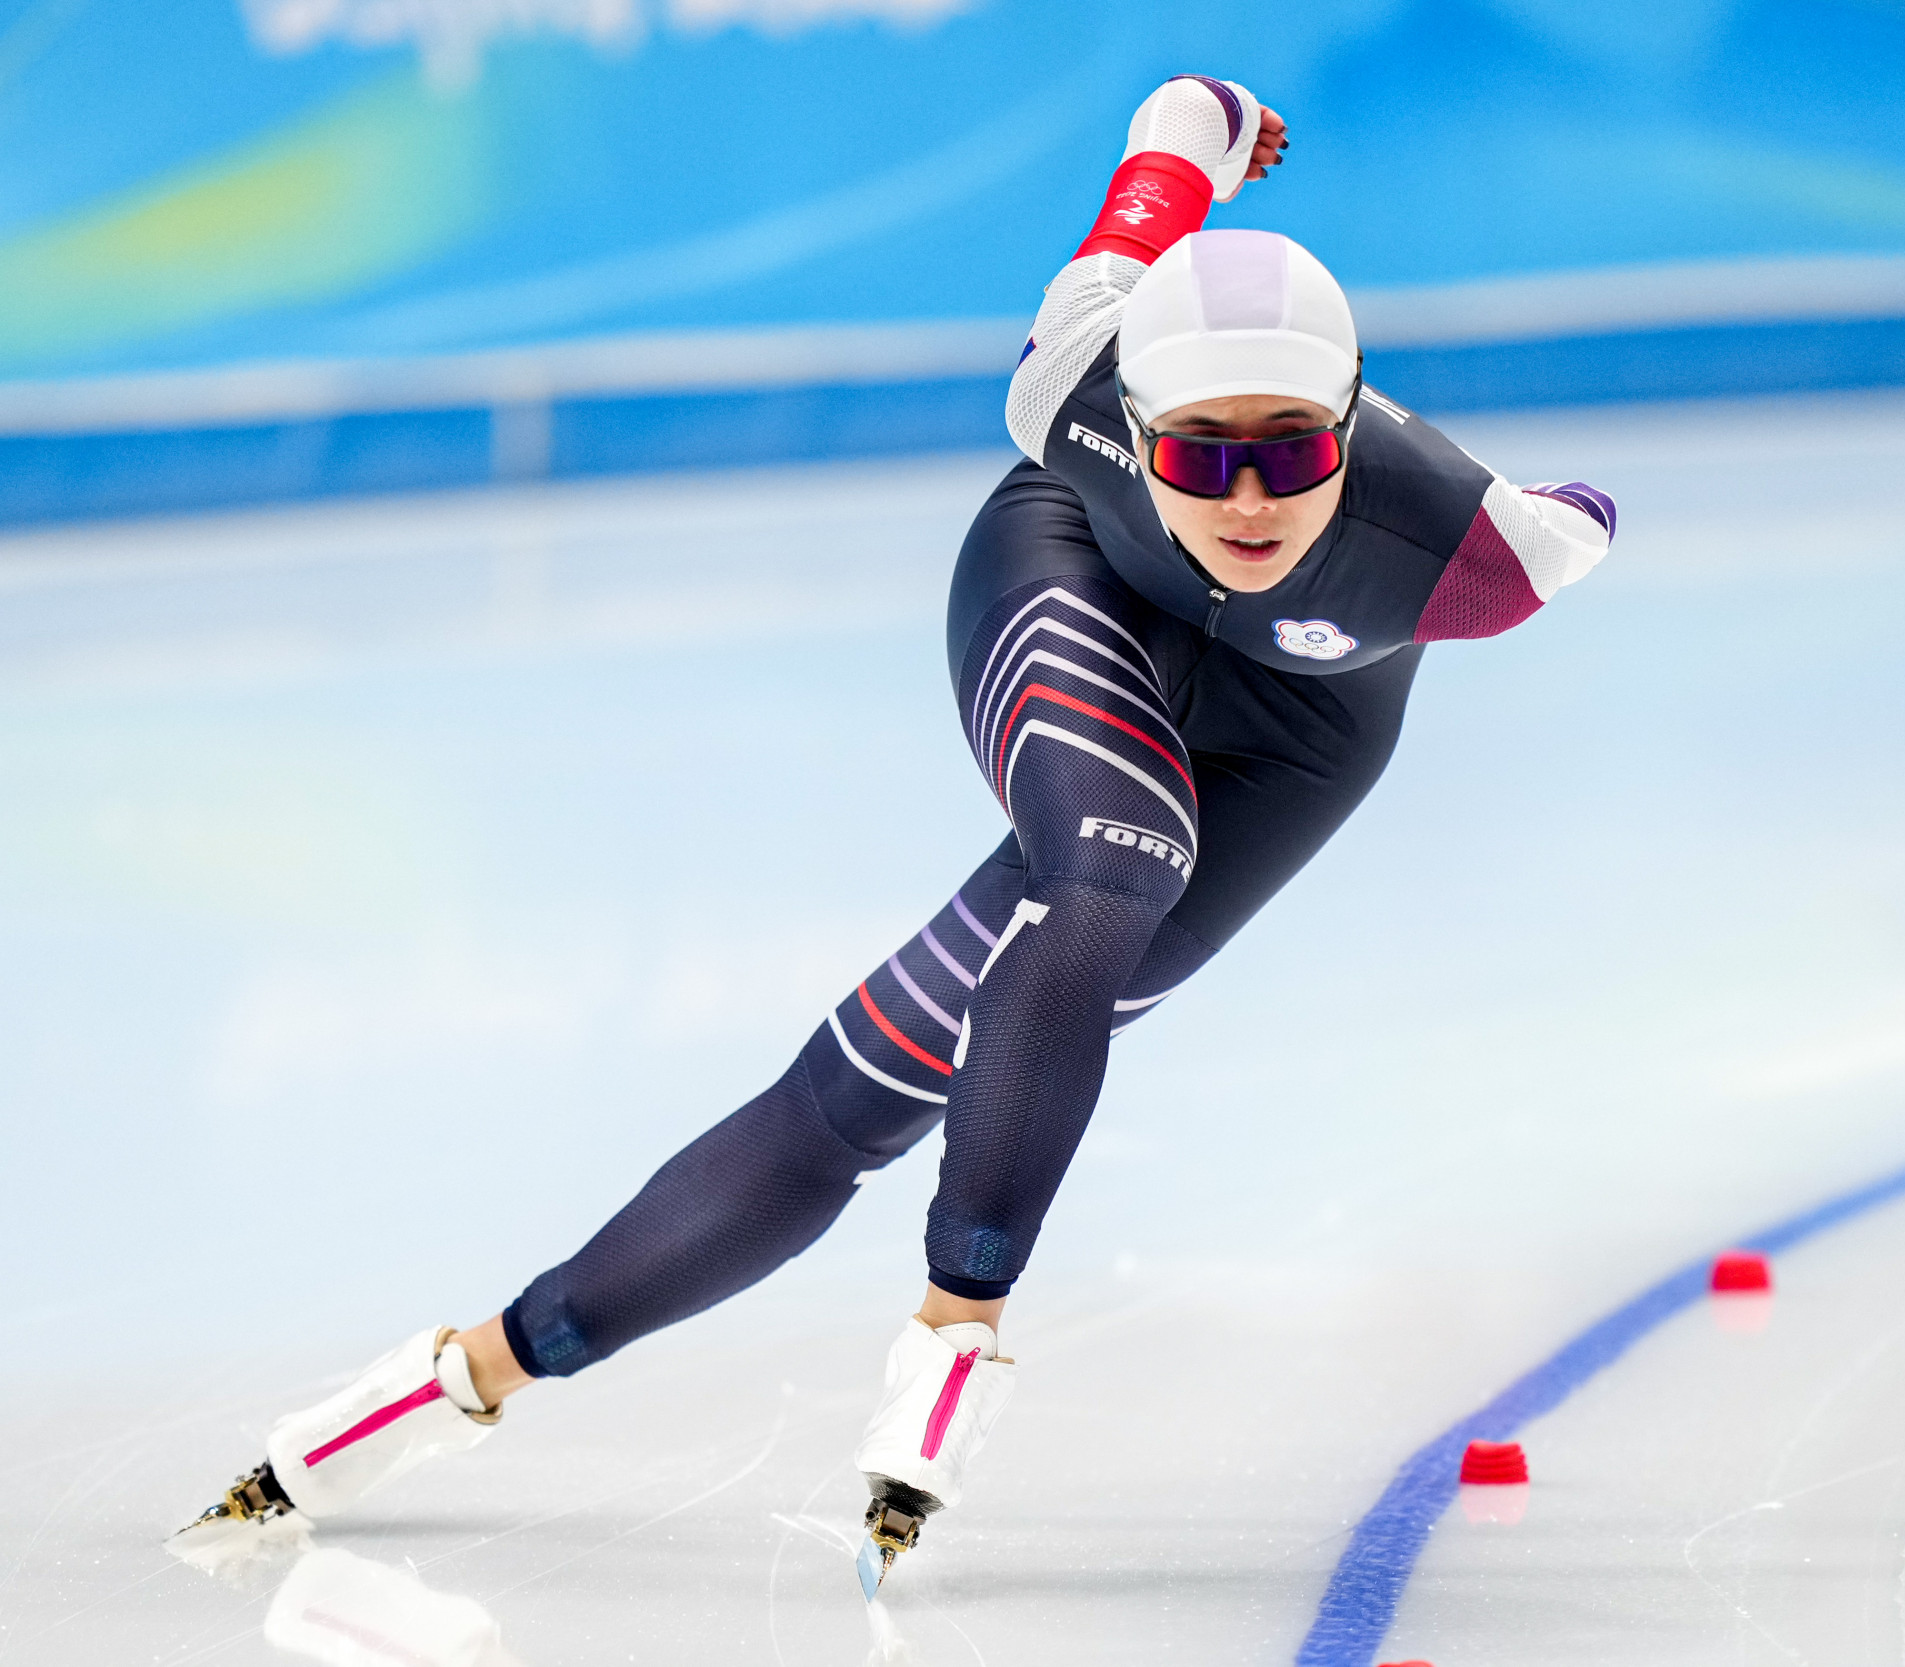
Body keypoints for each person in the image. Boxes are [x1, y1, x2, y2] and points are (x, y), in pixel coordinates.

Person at [179, 74, 1615, 1598]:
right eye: (1202, 454)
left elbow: (1581, 516)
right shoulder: (1068, 376)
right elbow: (1162, 150)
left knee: (870, 1086)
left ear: (1349, 426)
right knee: (1111, 870)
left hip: (1298, 748)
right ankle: (957, 1330)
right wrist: (1210, 118)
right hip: (1075, 591)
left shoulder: (1486, 553)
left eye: (1294, 452)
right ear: (1133, 422)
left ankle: (464, 1371)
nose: (1250, 497)